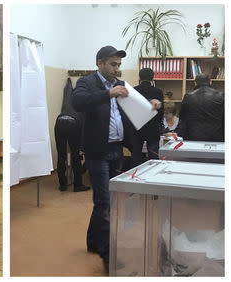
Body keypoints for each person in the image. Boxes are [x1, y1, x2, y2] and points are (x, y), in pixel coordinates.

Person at [72, 46, 159, 269]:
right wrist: (108, 93)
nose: (117, 68)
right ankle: (108, 255)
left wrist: (152, 106)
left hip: (117, 151)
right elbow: (78, 102)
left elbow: (135, 112)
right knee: (105, 202)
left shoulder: (122, 86)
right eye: (113, 64)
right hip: (97, 151)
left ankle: (93, 241)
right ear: (100, 63)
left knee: (107, 201)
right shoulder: (87, 83)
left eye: (119, 65)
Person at [55, 78, 89, 192]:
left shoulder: (68, 97)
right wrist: (82, 147)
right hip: (73, 122)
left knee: (61, 155)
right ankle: (78, 185)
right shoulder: (83, 102)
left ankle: (62, 184)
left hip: (59, 120)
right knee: (75, 155)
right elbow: (84, 127)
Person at [130, 68, 163, 167]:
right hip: (153, 129)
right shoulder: (158, 91)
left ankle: (133, 178)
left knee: (135, 156)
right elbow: (160, 113)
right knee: (153, 156)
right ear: (153, 78)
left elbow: (131, 111)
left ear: (139, 77)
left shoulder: (134, 90)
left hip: (137, 127)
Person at [179, 73, 224, 142]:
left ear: (195, 83)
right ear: (210, 82)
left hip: (193, 136)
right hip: (216, 137)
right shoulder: (221, 95)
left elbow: (182, 117)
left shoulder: (188, 97)